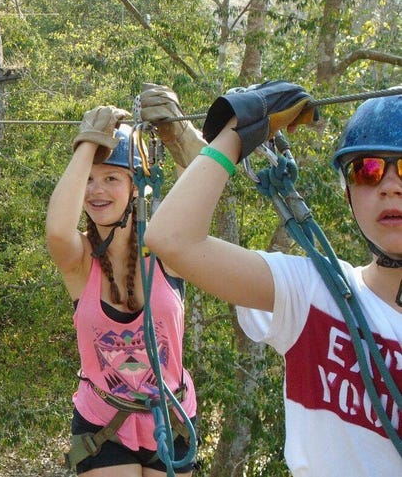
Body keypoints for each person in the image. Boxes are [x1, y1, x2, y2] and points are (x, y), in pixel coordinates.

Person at [145, 82, 402, 477]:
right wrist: (238, 133)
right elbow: (172, 239)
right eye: (366, 170)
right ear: (349, 192)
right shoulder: (317, 293)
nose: (389, 185)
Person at [46, 90, 206, 476]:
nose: (96, 191)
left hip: (172, 417)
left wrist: (177, 134)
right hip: (103, 422)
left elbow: (199, 194)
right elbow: (56, 229)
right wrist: (87, 145)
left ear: (136, 187)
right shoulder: (81, 261)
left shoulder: (166, 249)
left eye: (112, 178)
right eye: (89, 180)